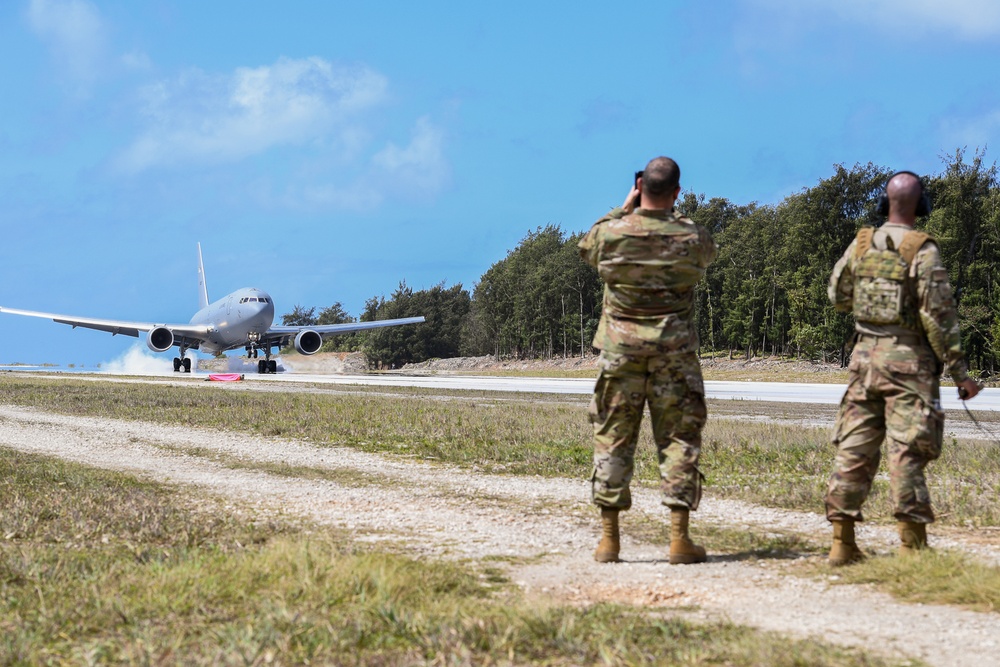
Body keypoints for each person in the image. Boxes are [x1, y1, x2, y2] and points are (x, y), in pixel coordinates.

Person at [825, 170, 981, 566]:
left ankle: (842, 543)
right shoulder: (922, 250)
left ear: (884, 202)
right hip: (909, 364)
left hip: (863, 360)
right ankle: (913, 547)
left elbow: (837, 295)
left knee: (855, 447)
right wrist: (960, 372)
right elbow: (939, 316)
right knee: (907, 451)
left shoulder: (861, 245)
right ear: (921, 205)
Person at [578, 156, 717, 564]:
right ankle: (679, 539)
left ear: (640, 188)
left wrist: (625, 208)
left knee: (613, 440)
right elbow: (705, 251)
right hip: (674, 354)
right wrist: (674, 215)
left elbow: (587, 245)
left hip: (620, 353)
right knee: (678, 439)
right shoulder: (691, 236)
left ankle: (609, 541)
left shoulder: (613, 233)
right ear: (676, 191)